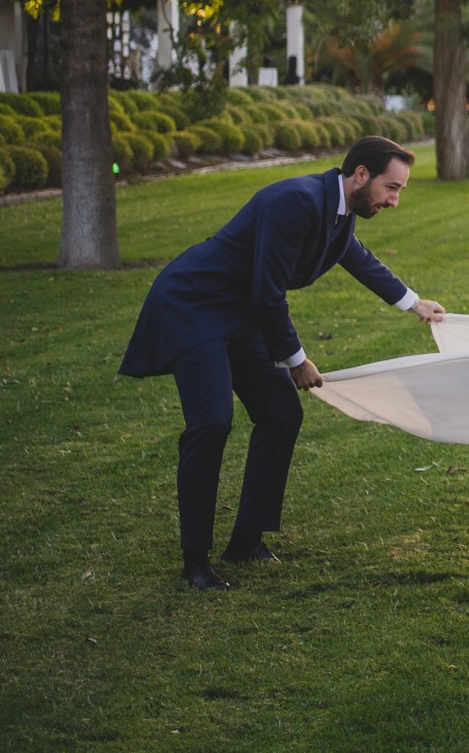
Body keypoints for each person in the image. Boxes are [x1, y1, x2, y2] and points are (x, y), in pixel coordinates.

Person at [119, 135, 448, 590]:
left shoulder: (338, 211)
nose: (394, 201)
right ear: (360, 175)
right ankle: (195, 559)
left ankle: (245, 541)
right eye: (392, 188)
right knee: (212, 423)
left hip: (239, 313)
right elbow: (268, 294)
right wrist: (296, 360)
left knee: (280, 414)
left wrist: (413, 303)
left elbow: (352, 255)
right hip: (194, 307)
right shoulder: (295, 201)